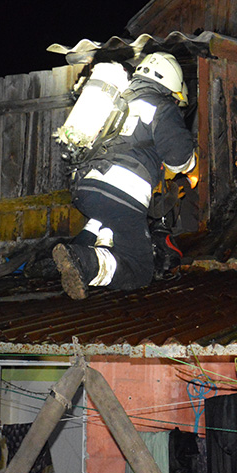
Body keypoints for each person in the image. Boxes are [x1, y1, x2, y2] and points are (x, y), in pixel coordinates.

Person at [53, 52, 196, 299]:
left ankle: (64, 256)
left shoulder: (117, 100)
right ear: (171, 83)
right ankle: (86, 262)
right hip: (122, 193)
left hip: (86, 187)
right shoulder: (161, 105)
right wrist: (190, 163)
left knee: (108, 219)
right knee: (140, 270)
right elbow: (180, 159)